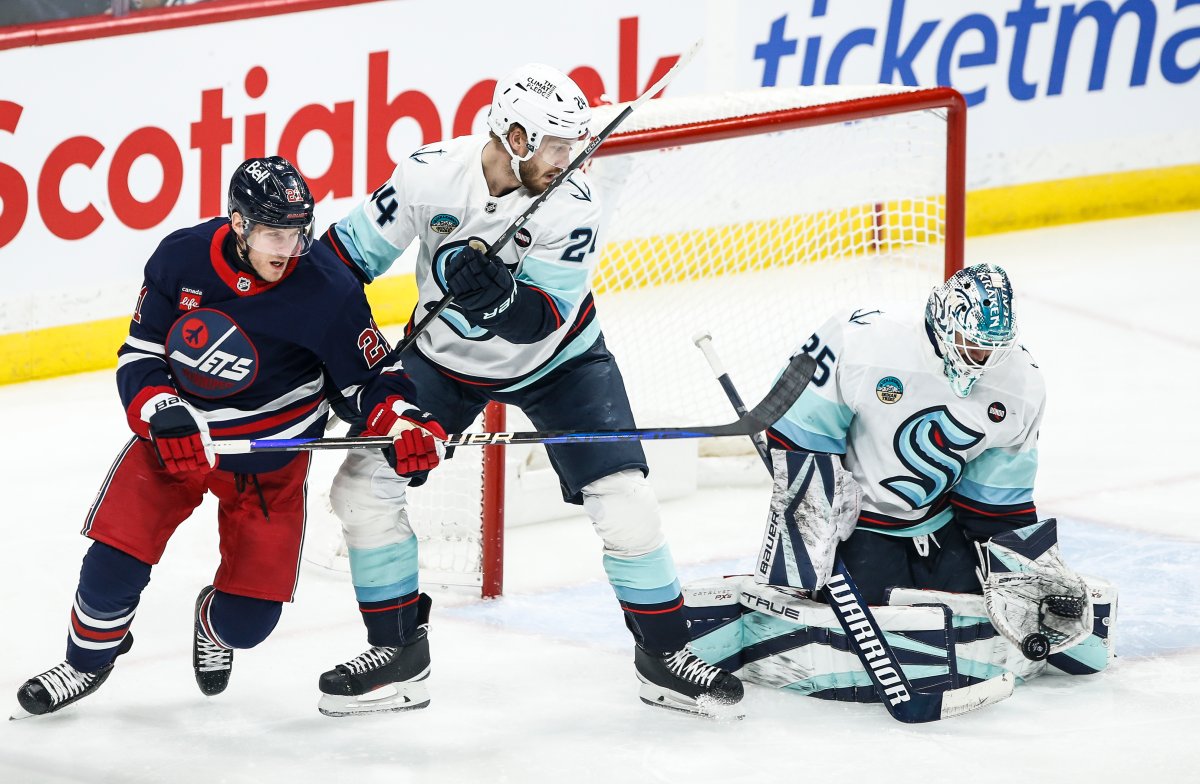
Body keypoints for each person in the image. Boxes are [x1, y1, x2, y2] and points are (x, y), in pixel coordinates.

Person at [315, 63, 743, 717]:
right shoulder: (431, 175)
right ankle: (398, 655)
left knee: (624, 499)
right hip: (440, 363)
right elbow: (341, 262)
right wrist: (340, 361)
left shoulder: (574, 201)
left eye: (574, 144)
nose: (568, 159)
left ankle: (663, 653)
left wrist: (499, 297)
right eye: (554, 145)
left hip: (561, 363)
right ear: (513, 135)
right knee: (361, 489)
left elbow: (541, 318)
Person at [13, 157, 443, 718]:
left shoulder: (328, 288)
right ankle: (87, 662)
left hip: (271, 463)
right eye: (272, 232)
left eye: (296, 233)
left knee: (248, 624)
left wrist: (406, 422)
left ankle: (211, 621)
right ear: (239, 223)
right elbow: (141, 355)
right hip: (178, 444)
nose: (287, 248)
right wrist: (161, 408)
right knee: (113, 559)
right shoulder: (180, 258)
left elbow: (368, 381)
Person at [764, 263, 1055, 605]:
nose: (982, 357)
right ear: (943, 322)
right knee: (858, 611)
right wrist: (815, 521)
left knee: (982, 609)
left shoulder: (1019, 383)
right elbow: (797, 427)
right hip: (860, 524)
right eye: (972, 343)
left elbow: (996, 501)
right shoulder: (864, 341)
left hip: (942, 523)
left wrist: (1019, 576)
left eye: (993, 347)